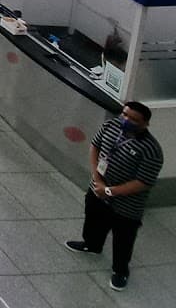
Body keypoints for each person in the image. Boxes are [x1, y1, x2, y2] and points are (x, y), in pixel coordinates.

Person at [66, 100, 163, 290]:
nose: (126, 120)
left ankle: (120, 271)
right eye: (124, 114)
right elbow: (95, 147)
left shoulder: (151, 150)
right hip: (98, 190)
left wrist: (110, 191)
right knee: (93, 219)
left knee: (123, 238)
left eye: (133, 119)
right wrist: (97, 180)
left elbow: (143, 182)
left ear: (145, 124)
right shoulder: (110, 126)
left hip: (126, 205)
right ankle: (92, 245)